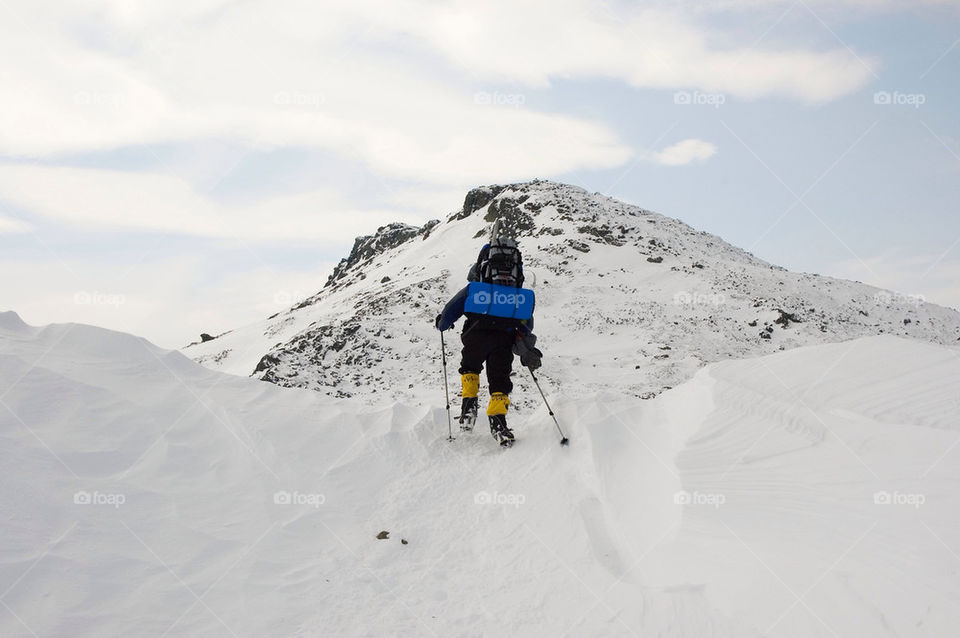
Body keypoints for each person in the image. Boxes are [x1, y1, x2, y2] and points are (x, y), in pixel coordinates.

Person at [435, 236, 543, 446]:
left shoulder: (476, 287)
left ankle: (469, 405)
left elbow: (452, 309)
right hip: (503, 338)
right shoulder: (515, 293)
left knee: (470, 368)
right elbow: (527, 323)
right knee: (500, 379)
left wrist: (442, 323)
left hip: (475, 335)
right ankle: (498, 422)